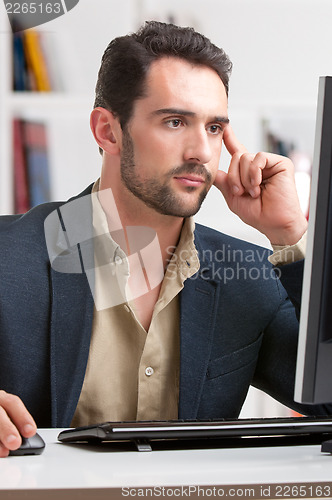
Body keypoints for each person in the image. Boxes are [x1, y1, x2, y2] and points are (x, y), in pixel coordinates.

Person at [0, 21, 330, 458]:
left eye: (214, 128)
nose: (201, 151)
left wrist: (290, 234)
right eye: (175, 121)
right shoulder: (10, 256)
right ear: (107, 131)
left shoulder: (246, 277)